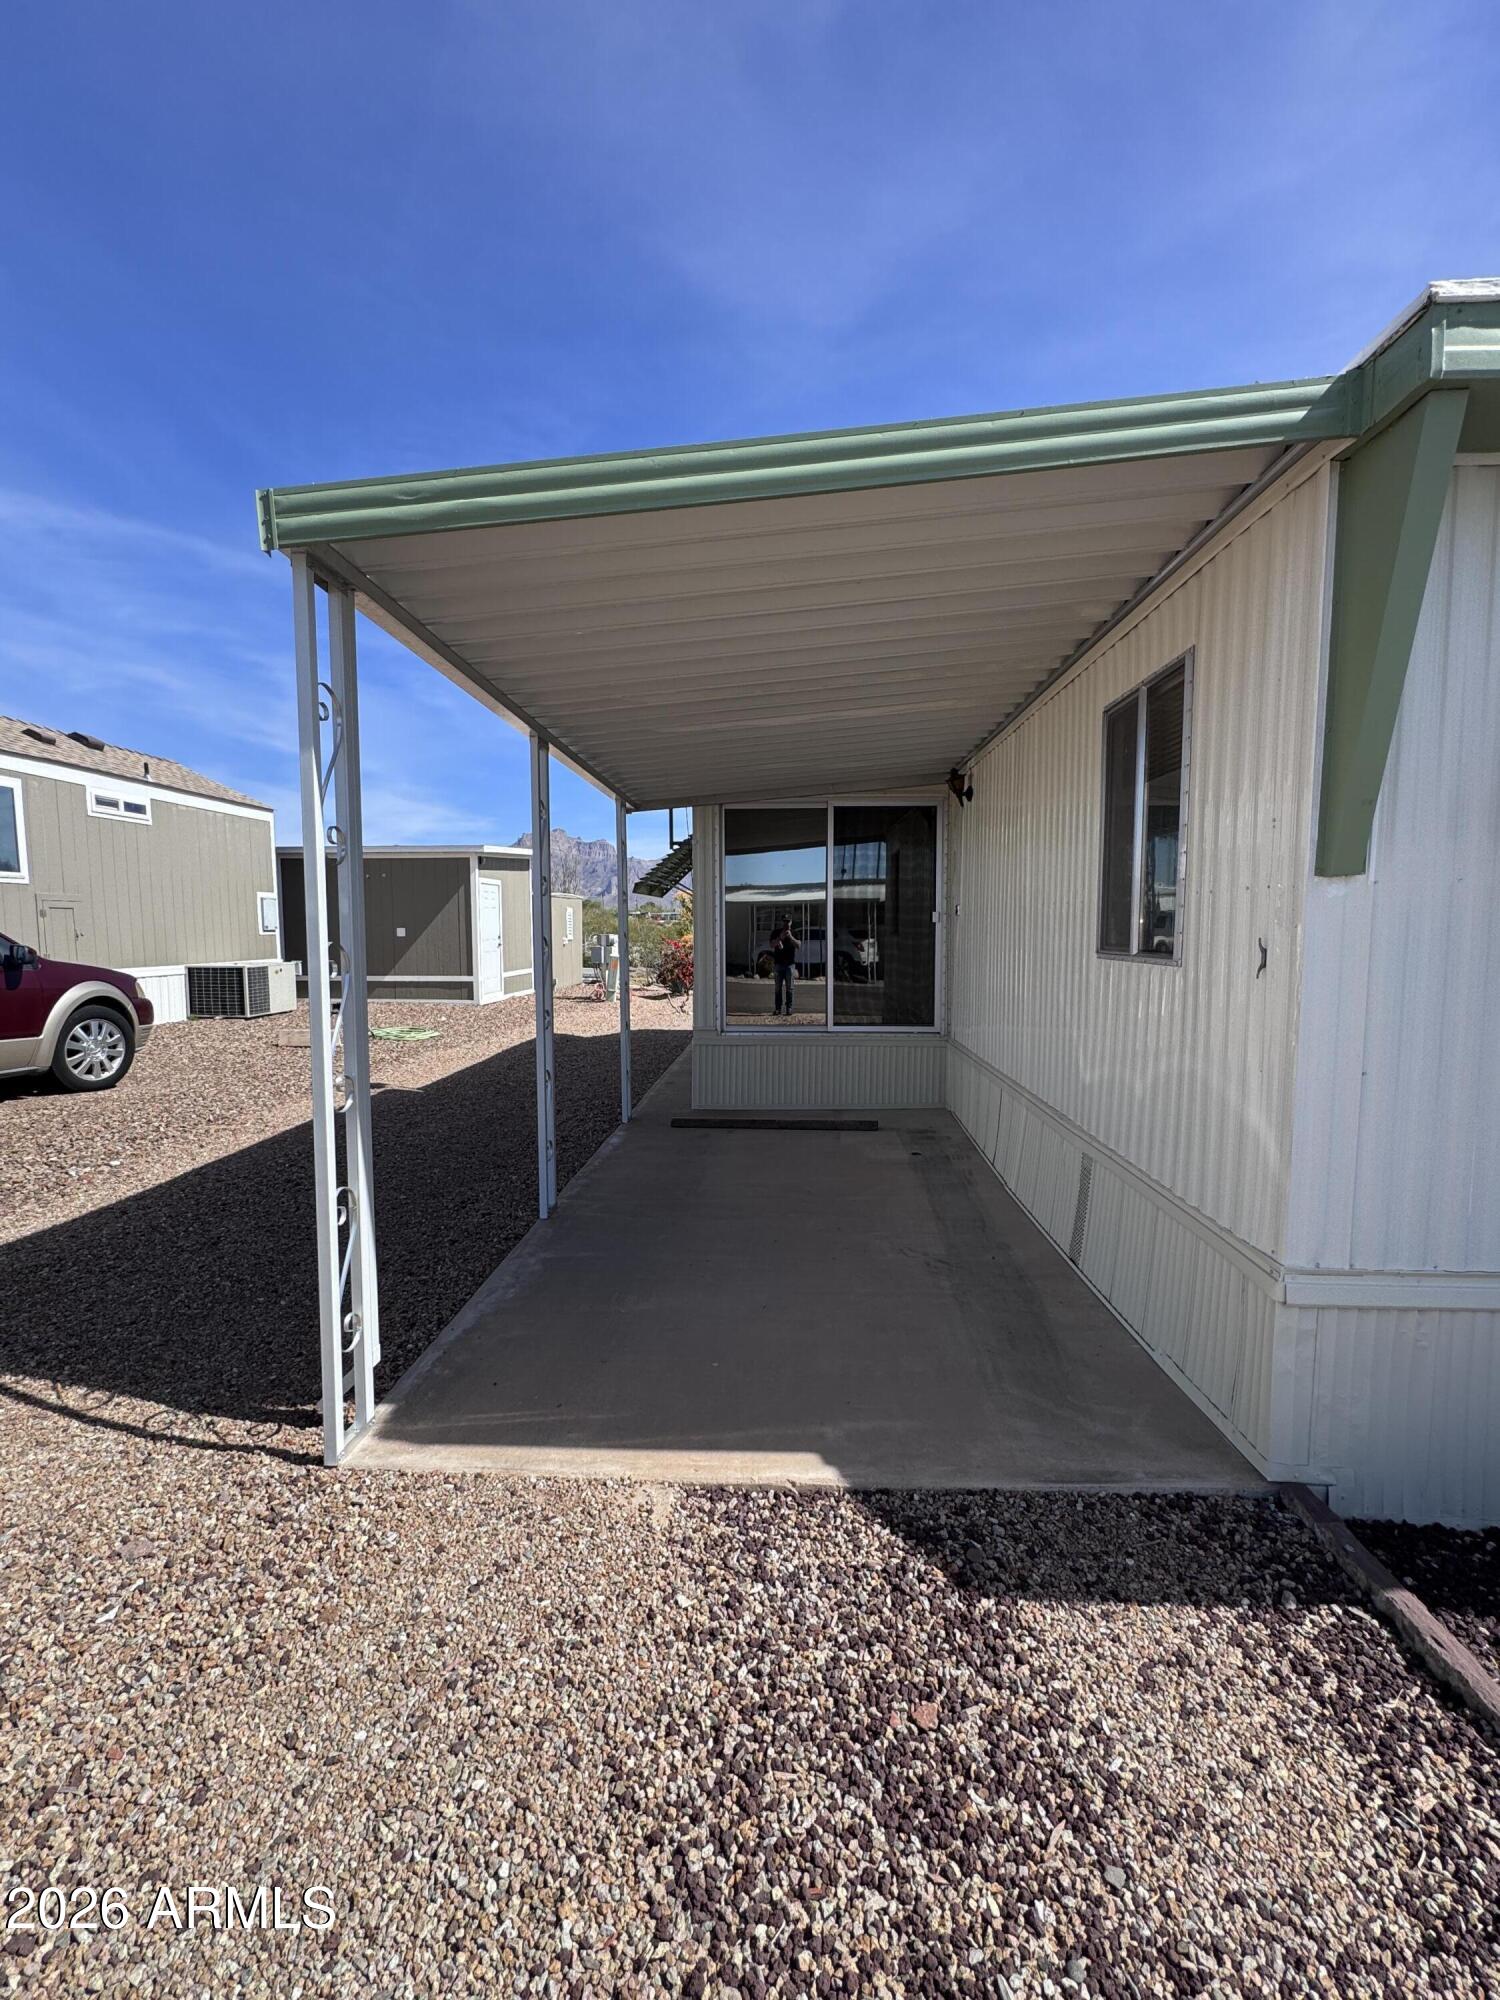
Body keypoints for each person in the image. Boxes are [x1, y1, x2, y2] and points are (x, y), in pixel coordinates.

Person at [770, 914, 799, 1017]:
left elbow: (799, 945)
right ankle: (778, 1009)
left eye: (788, 921)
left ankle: (789, 1008)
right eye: (785, 921)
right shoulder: (776, 932)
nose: (786, 923)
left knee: (789, 988)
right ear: (782, 922)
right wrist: (779, 938)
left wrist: (790, 936)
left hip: (790, 965)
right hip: (778, 964)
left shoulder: (795, 932)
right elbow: (771, 945)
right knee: (778, 988)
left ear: (791, 922)